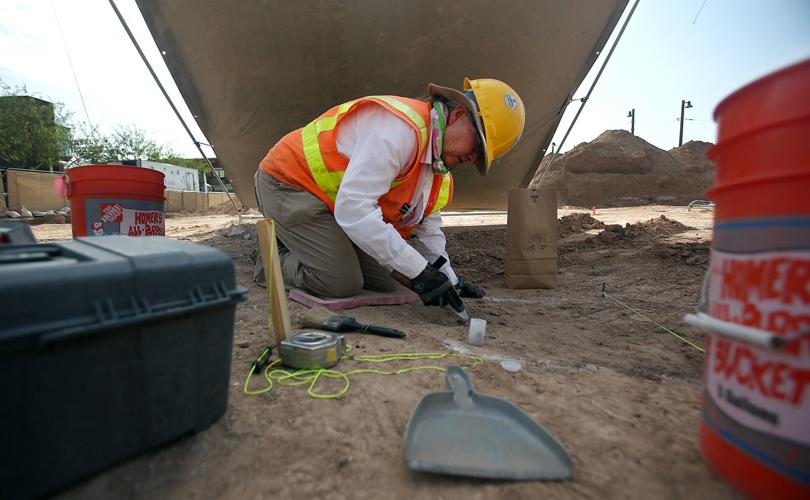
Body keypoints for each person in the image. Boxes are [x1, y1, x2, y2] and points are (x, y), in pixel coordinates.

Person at [254, 77, 525, 309]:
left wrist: (447, 278)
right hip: (290, 182)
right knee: (340, 282)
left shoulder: (438, 168)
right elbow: (355, 210)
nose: (473, 158)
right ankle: (270, 255)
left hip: (332, 202)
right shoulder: (399, 132)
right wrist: (419, 271)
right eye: (478, 144)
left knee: (387, 280)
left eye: (481, 157)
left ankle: (308, 243)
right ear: (457, 115)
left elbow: (428, 229)